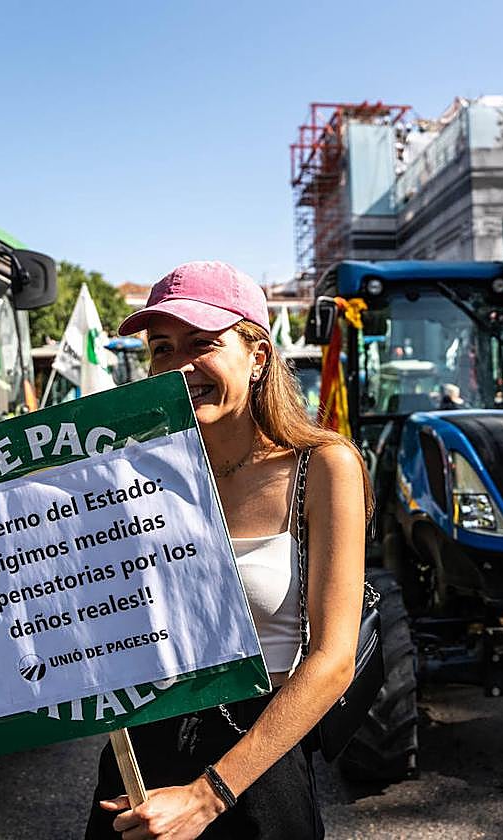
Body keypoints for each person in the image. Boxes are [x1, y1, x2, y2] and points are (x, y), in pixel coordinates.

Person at [85, 261, 372, 840]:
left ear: (258, 356)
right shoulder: (124, 472)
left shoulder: (323, 468)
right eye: (162, 347)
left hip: (257, 760)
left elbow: (333, 661)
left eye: (202, 343)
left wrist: (207, 795)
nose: (179, 365)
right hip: (139, 752)